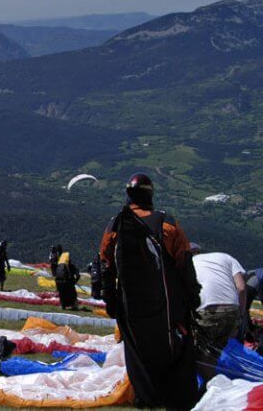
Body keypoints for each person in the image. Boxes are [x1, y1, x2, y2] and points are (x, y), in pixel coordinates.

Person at [100, 173, 201, 409]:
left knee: (138, 352)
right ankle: (176, 396)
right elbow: (184, 262)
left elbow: (105, 264)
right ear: (150, 195)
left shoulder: (116, 225)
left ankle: (145, 395)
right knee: (176, 350)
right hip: (167, 306)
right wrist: (193, 297)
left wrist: (110, 301)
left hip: (131, 307)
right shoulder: (166, 224)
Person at [192, 250, 246, 381]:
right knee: (212, 354)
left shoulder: (192, 262)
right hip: (231, 310)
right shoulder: (228, 258)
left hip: (207, 309)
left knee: (199, 354)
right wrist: (241, 315)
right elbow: (241, 288)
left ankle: (208, 389)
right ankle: (212, 387)